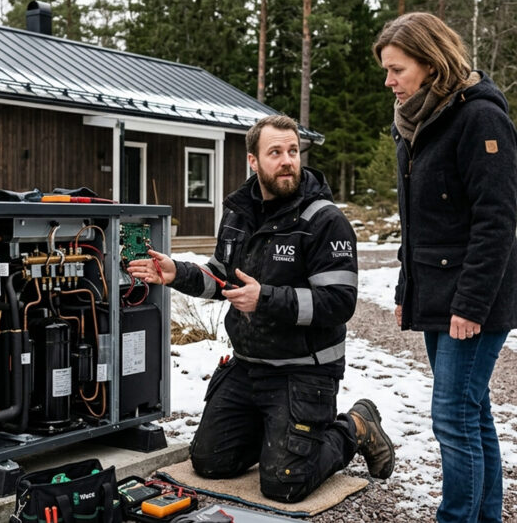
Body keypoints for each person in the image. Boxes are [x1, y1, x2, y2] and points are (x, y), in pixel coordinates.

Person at [127, 115, 395, 503]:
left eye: (293, 151)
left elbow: (340, 303)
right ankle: (278, 433)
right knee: (209, 462)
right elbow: (223, 279)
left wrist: (265, 298)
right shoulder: (239, 213)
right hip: (249, 366)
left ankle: (355, 426)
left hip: (304, 371)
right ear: (253, 161)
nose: (288, 160)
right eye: (275, 153)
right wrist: (176, 272)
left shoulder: (325, 220)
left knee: (285, 483)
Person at [373, 12, 517, 523]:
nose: (390, 81)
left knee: (453, 417)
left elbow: (496, 219)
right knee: (471, 412)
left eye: (397, 69)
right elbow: (417, 221)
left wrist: (471, 304)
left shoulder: (480, 117)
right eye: (387, 71)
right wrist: (405, 288)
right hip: (437, 290)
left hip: (474, 298)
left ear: (430, 62)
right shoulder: (415, 123)